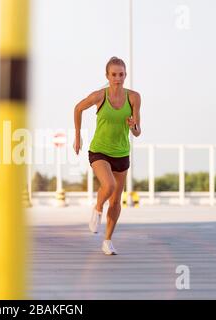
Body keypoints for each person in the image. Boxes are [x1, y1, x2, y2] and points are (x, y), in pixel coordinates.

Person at [73, 56, 142, 255]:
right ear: (107, 76)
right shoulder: (99, 96)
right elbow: (78, 108)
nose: (117, 78)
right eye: (113, 75)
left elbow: (137, 131)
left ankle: (107, 240)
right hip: (99, 151)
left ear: (125, 75)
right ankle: (97, 208)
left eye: (121, 74)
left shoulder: (134, 98)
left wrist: (133, 126)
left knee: (116, 201)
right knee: (109, 185)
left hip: (121, 153)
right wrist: (78, 136)